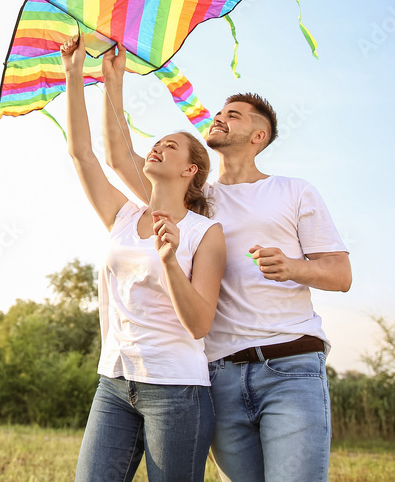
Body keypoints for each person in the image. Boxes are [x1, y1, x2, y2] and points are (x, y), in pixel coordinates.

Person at [101, 47, 352, 482]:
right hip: (218, 375)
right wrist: (114, 79)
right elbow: (121, 157)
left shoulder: (293, 191)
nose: (220, 117)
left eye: (233, 114)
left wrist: (294, 267)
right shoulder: (194, 200)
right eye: (219, 111)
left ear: (260, 135)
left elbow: (340, 274)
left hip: (290, 365)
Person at [59, 38, 227, 482]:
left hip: (176, 390)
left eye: (170, 146)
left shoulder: (203, 234)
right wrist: (77, 74)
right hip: (114, 381)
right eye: (156, 142)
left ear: (191, 170)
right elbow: (84, 154)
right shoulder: (123, 215)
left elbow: (199, 325)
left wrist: (170, 261)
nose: (156, 147)